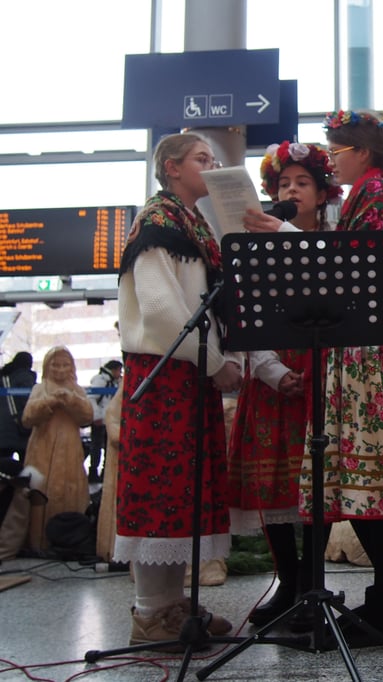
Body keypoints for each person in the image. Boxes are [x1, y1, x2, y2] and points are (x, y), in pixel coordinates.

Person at [244, 110, 383, 647]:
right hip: (363, 357)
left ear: (363, 152)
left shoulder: (374, 192)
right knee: (365, 481)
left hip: (366, 361)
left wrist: (284, 233)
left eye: (336, 151)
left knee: (365, 479)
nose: (331, 161)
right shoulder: (370, 193)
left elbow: (357, 270)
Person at [115, 132, 242, 647]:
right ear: (171, 168)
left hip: (187, 374)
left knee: (182, 493)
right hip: (164, 372)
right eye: (200, 159)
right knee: (161, 492)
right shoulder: (158, 222)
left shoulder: (192, 223)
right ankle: (150, 613)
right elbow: (163, 311)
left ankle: (172, 605)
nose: (210, 166)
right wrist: (215, 363)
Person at [226, 140, 340, 630]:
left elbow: (341, 293)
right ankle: (288, 583)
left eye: (302, 183)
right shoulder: (257, 248)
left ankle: (312, 583)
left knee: (317, 484)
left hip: (321, 375)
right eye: (283, 184)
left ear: (322, 193)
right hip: (273, 380)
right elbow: (247, 316)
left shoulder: (334, 241)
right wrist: (272, 371)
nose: (291, 191)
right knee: (273, 485)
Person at [21, 346, 94, 552]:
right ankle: (38, 540)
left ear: (72, 367)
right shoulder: (40, 389)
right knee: (40, 490)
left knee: (70, 490)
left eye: (65, 365)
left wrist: (71, 400)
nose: (60, 369)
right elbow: (27, 418)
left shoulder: (76, 390)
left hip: (70, 449)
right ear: (47, 366)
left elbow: (87, 417)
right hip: (41, 447)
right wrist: (49, 402)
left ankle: (70, 539)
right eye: (55, 365)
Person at [87, 359, 122, 483]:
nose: (120, 373)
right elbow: (91, 398)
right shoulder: (101, 381)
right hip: (100, 420)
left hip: (108, 421)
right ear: (114, 370)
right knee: (96, 447)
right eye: (119, 370)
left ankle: (104, 472)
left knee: (107, 447)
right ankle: (93, 472)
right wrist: (97, 416)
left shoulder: (114, 382)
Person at [0, 352, 37, 461]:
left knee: (3, 465)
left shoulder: (4, 377)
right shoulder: (25, 377)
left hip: (3, 430)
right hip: (20, 429)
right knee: (26, 465)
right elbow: (27, 403)